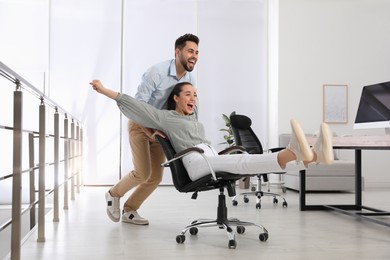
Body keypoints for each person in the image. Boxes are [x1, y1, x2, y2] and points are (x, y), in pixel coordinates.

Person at [90, 80, 334, 184]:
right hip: (195, 163)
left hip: (209, 157)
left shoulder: (193, 117)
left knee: (243, 161)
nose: (193, 98)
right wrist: (104, 90)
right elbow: (136, 106)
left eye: (195, 95)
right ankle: (293, 152)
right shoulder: (165, 117)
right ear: (175, 98)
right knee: (243, 159)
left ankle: (311, 158)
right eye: (187, 94)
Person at [104, 34, 200, 225]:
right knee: (142, 173)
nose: (194, 56)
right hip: (139, 124)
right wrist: (148, 131)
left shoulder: (190, 77)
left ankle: (130, 211)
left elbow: (187, 105)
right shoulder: (157, 72)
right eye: (190, 51)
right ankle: (112, 194)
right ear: (178, 52)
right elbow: (137, 106)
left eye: (197, 52)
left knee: (155, 177)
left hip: (160, 129)